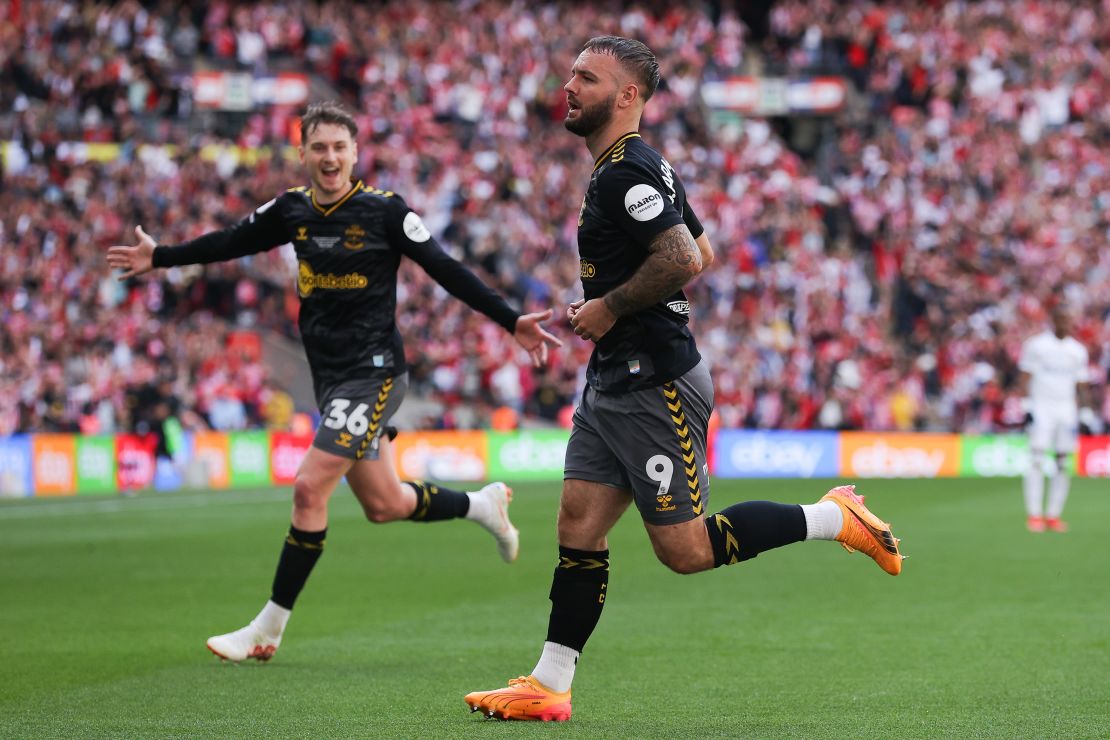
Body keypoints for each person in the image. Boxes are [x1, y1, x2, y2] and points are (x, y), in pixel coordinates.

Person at [463, 36, 904, 722]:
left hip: (653, 381)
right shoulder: (637, 164)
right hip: (615, 378)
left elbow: (682, 258)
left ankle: (833, 517)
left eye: (588, 77)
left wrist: (610, 305)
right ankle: (550, 686)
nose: (570, 86)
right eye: (572, 74)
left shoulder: (624, 173)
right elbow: (703, 246)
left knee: (686, 550)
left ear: (628, 95)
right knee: (578, 525)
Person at [106, 101, 562, 663]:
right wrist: (163, 258)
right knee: (384, 503)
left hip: (374, 374)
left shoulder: (385, 213)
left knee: (308, 487)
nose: (329, 157)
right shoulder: (292, 211)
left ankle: (267, 628)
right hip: (331, 379)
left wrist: (510, 319)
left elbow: (447, 270)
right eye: (318, 147)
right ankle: (481, 506)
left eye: (339, 147)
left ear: (354, 153)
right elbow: (228, 242)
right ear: (302, 154)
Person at [1018, 303, 1099, 533]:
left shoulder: (1077, 350)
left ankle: (1053, 515)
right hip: (1042, 407)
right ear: (1054, 321)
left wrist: (1085, 411)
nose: (1066, 324)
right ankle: (1034, 515)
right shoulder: (1036, 345)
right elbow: (1025, 376)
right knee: (1036, 458)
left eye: (1069, 320)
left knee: (1063, 461)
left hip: (1066, 410)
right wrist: (1026, 406)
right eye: (1062, 319)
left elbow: (1081, 384)